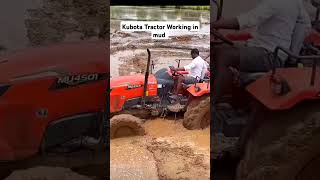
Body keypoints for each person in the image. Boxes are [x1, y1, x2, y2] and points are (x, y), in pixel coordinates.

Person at [212, 0, 311, 102]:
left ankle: (212, 103)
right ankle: (227, 91)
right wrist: (292, 52)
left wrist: (213, 24)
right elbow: (305, 23)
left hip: (270, 54)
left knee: (225, 55)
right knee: (217, 48)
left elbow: (246, 20)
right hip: (263, 47)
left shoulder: (276, 3)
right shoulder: (295, 2)